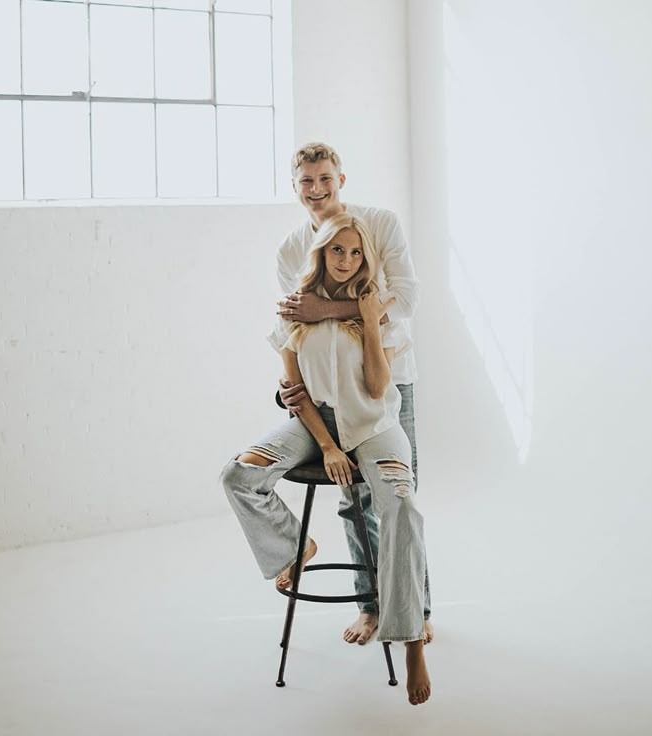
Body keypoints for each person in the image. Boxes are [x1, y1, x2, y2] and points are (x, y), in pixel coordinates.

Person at [221, 213, 431, 705]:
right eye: (337, 250)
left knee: (399, 503)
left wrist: (365, 321)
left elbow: (380, 387)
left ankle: (411, 638)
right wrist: (330, 446)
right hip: (316, 425)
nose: (347, 259)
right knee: (240, 474)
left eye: (356, 252)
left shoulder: (372, 308)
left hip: (377, 425)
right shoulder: (294, 311)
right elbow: (295, 392)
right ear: (320, 253)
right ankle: (294, 547)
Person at [275, 142, 433, 646]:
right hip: (328, 395)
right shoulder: (290, 250)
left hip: (388, 377)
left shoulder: (380, 223)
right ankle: (369, 607)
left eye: (326, 178)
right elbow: (296, 332)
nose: (317, 190)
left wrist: (328, 310)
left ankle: (415, 610)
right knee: (352, 501)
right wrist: (291, 387)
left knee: (397, 496)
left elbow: (404, 297)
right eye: (307, 182)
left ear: (342, 178)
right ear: (295, 186)